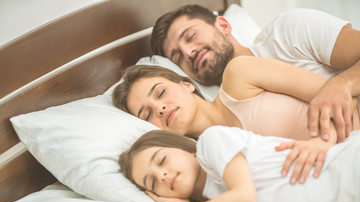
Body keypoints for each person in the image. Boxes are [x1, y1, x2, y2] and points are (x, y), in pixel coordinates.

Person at [112, 56, 360, 184]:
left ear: (187, 85)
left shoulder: (239, 76)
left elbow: (342, 94)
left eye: (160, 93)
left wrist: (324, 139)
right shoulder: (204, 162)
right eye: (146, 114)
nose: (160, 108)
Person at [150, 4, 360, 143]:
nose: (188, 52)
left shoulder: (288, 31)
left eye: (191, 36)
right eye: (177, 57)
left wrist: (340, 85)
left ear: (223, 25)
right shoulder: (220, 121)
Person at [114, 126, 360, 202]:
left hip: (348, 171)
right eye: (153, 182)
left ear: (184, 148)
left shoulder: (211, 142)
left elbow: (244, 197)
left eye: (162, 160)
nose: (163, 176)